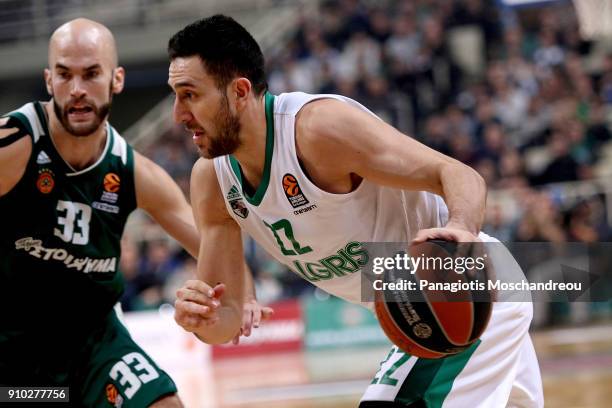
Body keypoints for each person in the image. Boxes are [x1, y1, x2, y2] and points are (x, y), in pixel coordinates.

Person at [169, 14, 544, 408]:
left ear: (240, 91)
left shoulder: (318, 130)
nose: (178, 114)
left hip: (467, 291)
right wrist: (203, 319)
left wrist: (460, 229)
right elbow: (227, 317)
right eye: (175, 96)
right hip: (421, 317)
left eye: (190, 95)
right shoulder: (211, 182)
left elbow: (456, 173)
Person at [0, 18, 269, 407]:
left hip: (95, 346)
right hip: (14, 351)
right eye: (64, 75)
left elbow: (212, 239)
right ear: (48, 81)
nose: (77, 90)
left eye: (92, 74)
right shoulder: (15, 144)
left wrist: (245, 296)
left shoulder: (134, 172)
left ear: (117, 80)